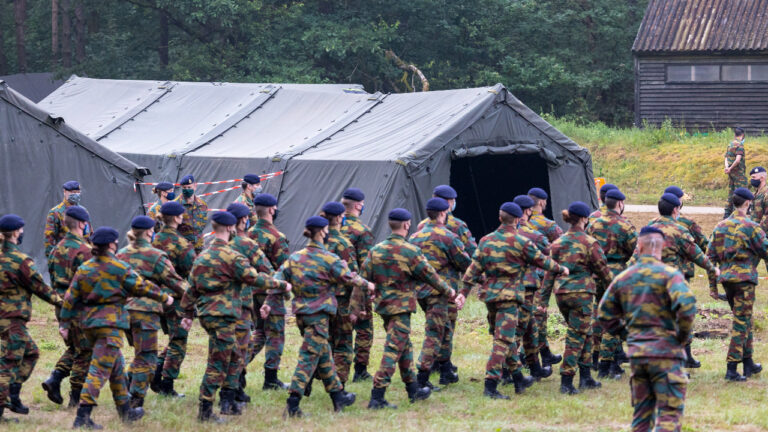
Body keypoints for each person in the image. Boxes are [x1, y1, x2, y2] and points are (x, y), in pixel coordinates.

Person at [181, 211, 289, 423]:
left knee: (234, 356)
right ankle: (205, 410)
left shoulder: (202, 257)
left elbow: (191, 288)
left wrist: (187, 313)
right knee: (218, 361)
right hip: (224, 316)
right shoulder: (233, 257)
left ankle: (229, 402)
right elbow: (255, 278)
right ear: (231, 228)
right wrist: (281, 284)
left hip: (207, 315)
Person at [60, 226, 172, 429]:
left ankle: (126, 411)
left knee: (117, 369)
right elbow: (141, 286)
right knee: (98, 370)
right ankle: (82, 417)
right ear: (112, 244)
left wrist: (64, 323)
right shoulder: (118, 267)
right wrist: (165, 297)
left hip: (89, 326)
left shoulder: (85, 268)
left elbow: (70, 297)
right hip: (109, 326)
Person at [463, 202, 568, 400]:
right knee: (503, 340)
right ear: (518, 220)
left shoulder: (486, 240)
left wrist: (463, 292)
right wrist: (561, 269)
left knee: (506, 337)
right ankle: (491, 385)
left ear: (499, 218)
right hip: (510, 299)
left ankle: (519, 378)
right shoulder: (521, 241)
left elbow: (472, 270)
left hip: (490, 298)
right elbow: (542, 260)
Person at [274, 216, 373, 417]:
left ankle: (338, 396)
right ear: (322, 232)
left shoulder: (295, 257)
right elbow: (349, 277)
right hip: (318, 316)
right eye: (326, 230)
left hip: (302, 316)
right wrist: (369, 285)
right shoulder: (328, 258)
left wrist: (271, 301)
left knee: (325, 354)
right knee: (308, 358)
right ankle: (293, 404)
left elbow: (278, 279)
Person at [598, 226, 695, 432]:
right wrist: (681, 337)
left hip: (638, 355)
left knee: (641, 416)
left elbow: (604, 313)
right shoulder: (671, 275)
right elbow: (686, 307)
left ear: (639, 246)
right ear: (662, 247)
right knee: (669, 416)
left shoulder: (624, 277)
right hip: (666, 354)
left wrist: (627, 334)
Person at [363, 208, 456, 409]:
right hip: (401, 309)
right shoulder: (410, 251)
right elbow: (429, 275)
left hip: (384, 307)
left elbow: (363, 280)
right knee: (393, 349)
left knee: (404, 347)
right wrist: (448, 291)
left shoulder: (375, 250)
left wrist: (356, 308)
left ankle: (413, 390)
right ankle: (377, 396)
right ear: (406, 224)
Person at [540, 201, 612, 395]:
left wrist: (543, 301)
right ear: (584, 219)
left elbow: (549, 273)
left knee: (585, 333)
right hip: (582, 295)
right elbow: (603, 270)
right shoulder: (589, 242)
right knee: (576, 336)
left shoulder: (558, 243)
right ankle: (567, 381)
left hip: (562, 294)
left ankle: (586, 377)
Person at [118, 216, 188, 410]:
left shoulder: (121, 254)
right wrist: (198, 294)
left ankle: (128, 384)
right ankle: (134, 402)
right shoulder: (155, 256)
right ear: (150, 232)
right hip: (145, 313)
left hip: (123, 312)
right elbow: (176, 283)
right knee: (147, 357)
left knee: (140, 353)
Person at [643, 193, 719, 369]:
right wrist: (712, 268)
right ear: (675, 210)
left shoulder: (649, 229)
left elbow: (637, 255)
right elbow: (697, 254)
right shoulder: (679, 230)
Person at [0, 214, 63, 422]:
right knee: (9, 362)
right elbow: (40, 288)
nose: (22, 233)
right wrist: (63, 302)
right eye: (21, 230)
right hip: (12, 319)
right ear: (15, 232)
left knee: (31, 352)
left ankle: (13, 395)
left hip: (6, 319)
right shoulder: (20, 260)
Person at [410, 197, 471, 390]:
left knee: (444, 329)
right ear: (443, 213)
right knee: (435, 333)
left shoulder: (414, 237)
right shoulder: (448, 237)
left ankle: (445, 371)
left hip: (421, 292)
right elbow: (464, 262)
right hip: (441, 292)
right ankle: (422, 378)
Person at [707, 188, 768, 381]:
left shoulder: (720, 226)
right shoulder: (751, 227)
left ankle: (748, 362)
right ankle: (732, 369)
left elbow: (709, 258)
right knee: (741, 322)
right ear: (748, 204)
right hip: (744, 281)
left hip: (727, 281)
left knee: (745, 319)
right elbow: (765, 250)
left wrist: (713, 287)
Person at [223, 203, 273, 411]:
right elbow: (266, 268)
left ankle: (236, 388)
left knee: (225, 348)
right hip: (242, 303)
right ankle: (232, 392)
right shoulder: (245, 244)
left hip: (220, 305)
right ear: (243, 220)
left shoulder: (219, 243)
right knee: (241, 348)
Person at [42, 206, 93, 408]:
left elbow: (53, 277)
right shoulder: (85, 250)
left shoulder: (56, 249)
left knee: (75, 346)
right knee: (84, 351)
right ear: (82, 224)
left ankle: (54, 379)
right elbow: (90, 282)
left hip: (61, 305)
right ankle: (76, 397)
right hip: (79, 307)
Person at [586, 188, 637, 379]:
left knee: (598, 314)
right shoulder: (625, 226)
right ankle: (607, 364)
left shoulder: (594, 224)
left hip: (596, 273)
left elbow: (587, 247)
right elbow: (636, 250)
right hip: (616, 275)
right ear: (620, 204)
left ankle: (596, 355)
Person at [151, 201, 196, 397]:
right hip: (176, 298)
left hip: (155, 297)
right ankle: (166, 385)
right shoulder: (181, 243)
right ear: (178, 218)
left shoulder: (154, 240)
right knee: (178, 341)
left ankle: (155, 375)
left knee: (173, 338)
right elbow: (192, 271)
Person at [663, 185, 710, 369]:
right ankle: (686, 355)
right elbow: (704, 244)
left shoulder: (653, 224)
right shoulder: (687, 223)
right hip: (681, 276)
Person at [247, 193, 290, 390]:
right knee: (275, 334)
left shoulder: (247, 235)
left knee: (259, 332)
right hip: (271, 293)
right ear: (272, 210)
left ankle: (236, 367)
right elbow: (284, 268)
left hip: (251, 292)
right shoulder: (277, 237)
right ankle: (271, 379)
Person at [512, 195, 554, 381]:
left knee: (529, 329)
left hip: (508, 288)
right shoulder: (533, 235)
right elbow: (551, 253)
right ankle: (508, 370)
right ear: (528, 211)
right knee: (519, 329)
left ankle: (535, 367)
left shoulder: (501, 234)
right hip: (527, 289)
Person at [319, 201, 359, 387]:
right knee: (343, 342)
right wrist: (357, 305)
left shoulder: (317, 241)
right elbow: (352, 276)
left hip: (320, 299)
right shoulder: (343, 244)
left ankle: (317, 376)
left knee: (323, 340)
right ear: (339, 218)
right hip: (340, 300)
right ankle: (339, 384)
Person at [340, 187, 376, 382]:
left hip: (334, 288)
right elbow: (366, 265)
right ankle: (360, 371)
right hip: (356, 287)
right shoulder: (362, 230)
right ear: (358, 206)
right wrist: (370, 287)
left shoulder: (330, 228)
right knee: (364, 328)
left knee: (339, 329)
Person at [526, 187, 564, 368]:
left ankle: (544, 353)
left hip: (519, 278)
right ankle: (531, 357)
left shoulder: (519, 222)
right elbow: (562, 245)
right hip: (539, 277)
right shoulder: (548, 225)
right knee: (538, 316)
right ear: (541, 202)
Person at [44, 181, 92, 257]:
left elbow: (89, 234)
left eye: (78, 192)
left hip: (83, 255)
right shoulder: (56, 212)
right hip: (64, 256)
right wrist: (52, 258)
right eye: (73, 192)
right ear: (65, 192)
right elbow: (49, 237)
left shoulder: (84, 211)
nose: (76, 195)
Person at [175, 174, 209, 253]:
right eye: (184, 188)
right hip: (182, 249)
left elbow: (202, 225)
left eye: (189, 187)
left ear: (195, 186)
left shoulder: (202, 204)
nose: (187, 190)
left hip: (198, 247)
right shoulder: (176, 205)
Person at [724, 127, 747, 218]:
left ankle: (727, 214)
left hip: (731, 174)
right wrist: (730, 168)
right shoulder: (740, 145)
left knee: (731, 193)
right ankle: (736, 215)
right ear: (743, 135)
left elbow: (726, 158)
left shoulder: (730, 144)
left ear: (735, 135)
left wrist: (727, 168)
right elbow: (738, 160)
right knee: (740, 194)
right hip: (739, 174)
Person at [748, 167, 768, 231]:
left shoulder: (766, 194)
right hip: (754, 230)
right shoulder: (755, 194)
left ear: (762, 178)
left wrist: (758, 232)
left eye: (754, 177)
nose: (752, 180)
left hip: (762, 233)